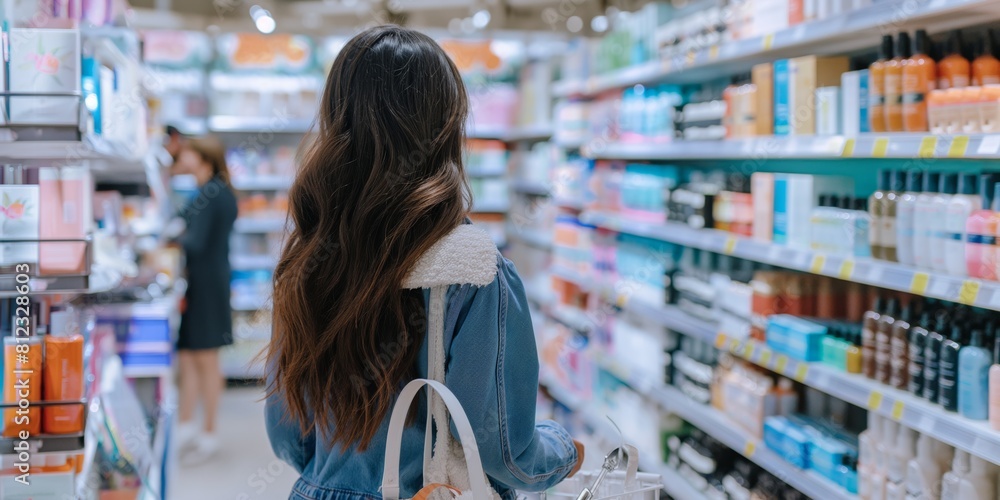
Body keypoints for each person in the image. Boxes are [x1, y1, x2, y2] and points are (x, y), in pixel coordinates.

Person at [264, 25, 584, 500]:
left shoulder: (310, 257)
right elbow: (500, 451)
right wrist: (562, 449)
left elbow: (288, 435)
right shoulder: (473, 270)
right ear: (444, 128)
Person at [171, 136, 238, 464]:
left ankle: (209, 431)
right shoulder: (209, 191)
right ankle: (186, 425)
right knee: (188, 355)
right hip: (200, 283)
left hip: (208, 285)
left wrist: (173, 236)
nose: (181, 157)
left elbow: (195, 241)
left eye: (188, 153)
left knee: (206, 358)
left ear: (202, 159)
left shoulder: (214, 194)